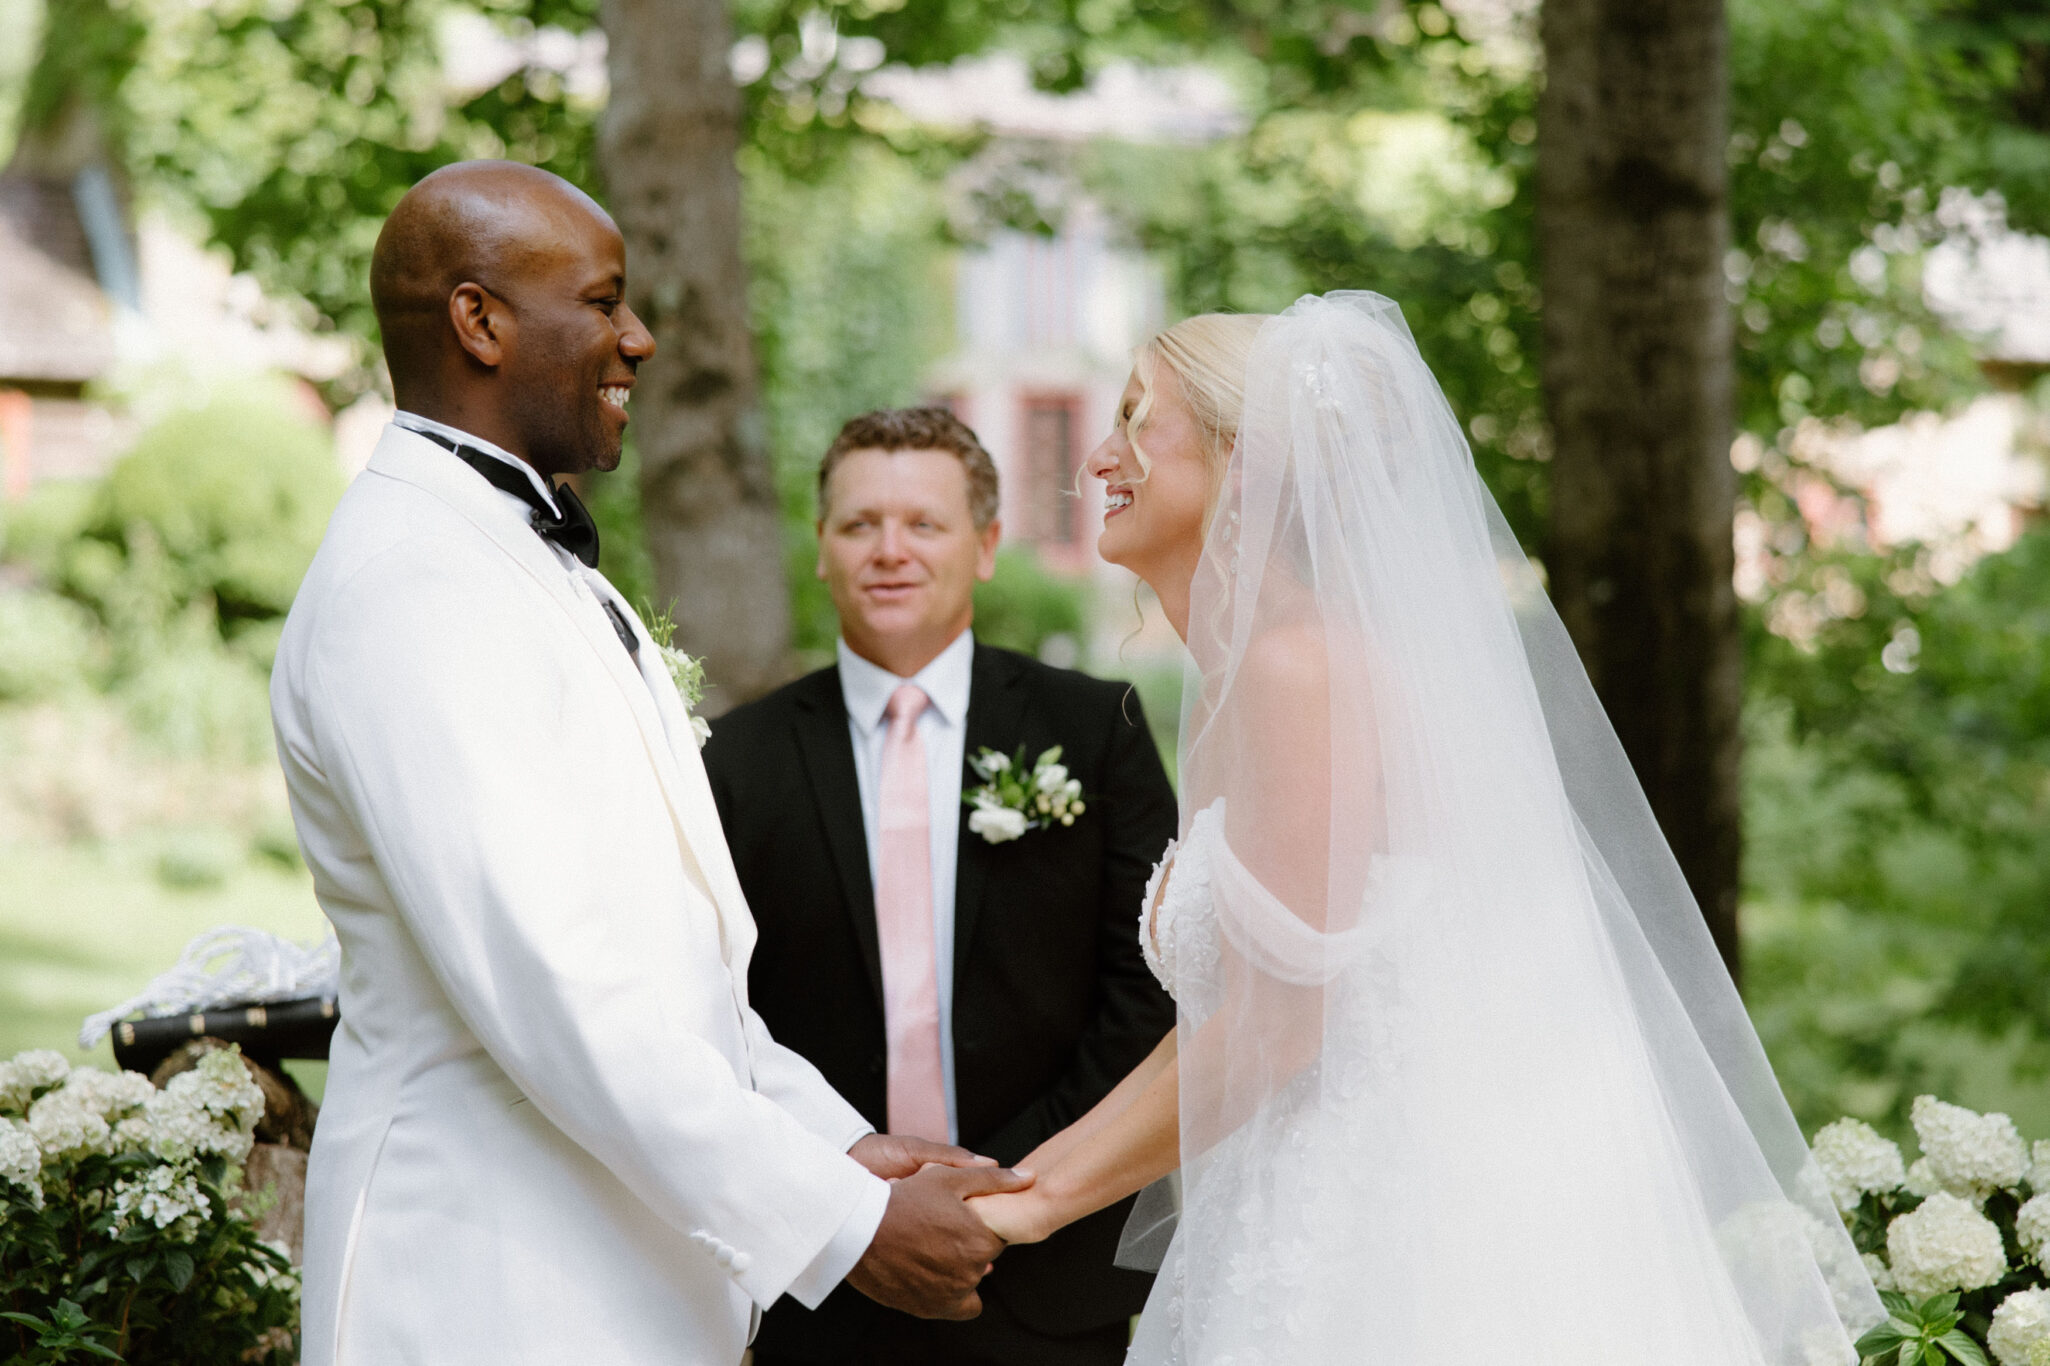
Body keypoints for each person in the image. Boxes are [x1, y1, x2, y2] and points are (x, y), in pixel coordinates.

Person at [966, 293, 1883, 1364]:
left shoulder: (1297, 667)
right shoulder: (1268, 665)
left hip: (1380, 1234)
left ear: (1243, 459)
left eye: (1135, 419)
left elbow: (1277, 1027)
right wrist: (1026, 1179)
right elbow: (1239, 1008)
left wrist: (1034, 1205)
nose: (1100, 458)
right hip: (1296, 1203)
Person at [270, 162, 1029, 1366]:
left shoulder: (516, 557)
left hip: (615, 1277)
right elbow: (553, 984)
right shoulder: (408, 586)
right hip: (489, 1288)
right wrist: (840, 1223)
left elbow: (669, 962)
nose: (641, 337)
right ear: (480, 322)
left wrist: (830, 1145)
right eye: (604, 300)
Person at [703, 407, 1178, 1366]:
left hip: (1052, 1267)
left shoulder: (1096, 728)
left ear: (988, 544)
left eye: (924, 524)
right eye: (859, 524)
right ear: (823, 549)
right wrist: (857, 1207)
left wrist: (1007, 1195)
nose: (890, 550)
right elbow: (716, 1004)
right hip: (826, 1269)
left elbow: (1149, 991)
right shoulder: (733, 759)